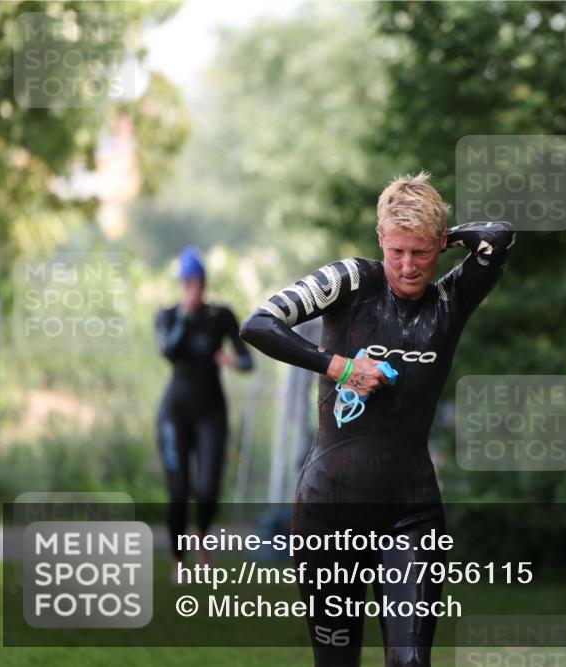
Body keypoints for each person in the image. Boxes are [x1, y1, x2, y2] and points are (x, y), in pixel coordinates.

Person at [240, 171, 515, 667]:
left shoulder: (451, 300)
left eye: (422, 252)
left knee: (410, 662)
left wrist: (449, 235)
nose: (408, 267)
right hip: (330, 510)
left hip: (411, 512)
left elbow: (499, 236)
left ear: (439, 245)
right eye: (396, 251)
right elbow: (258, 324)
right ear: (380, 241)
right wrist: (340, 367)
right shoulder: (351, 280)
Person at [155, 246, 254, 580]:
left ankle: (201, 535)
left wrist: (232, 361)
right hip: (175, 413)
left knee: (209, 488)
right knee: (179, 490)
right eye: (187, 283)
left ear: (205, 283)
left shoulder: (220, 316)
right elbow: (168, 351)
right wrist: (185, 315)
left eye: (197, 283)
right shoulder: (168, 316)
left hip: (211, 411)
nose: (192, 289)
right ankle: (178, 560)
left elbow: (248, 361)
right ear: (180, 285)